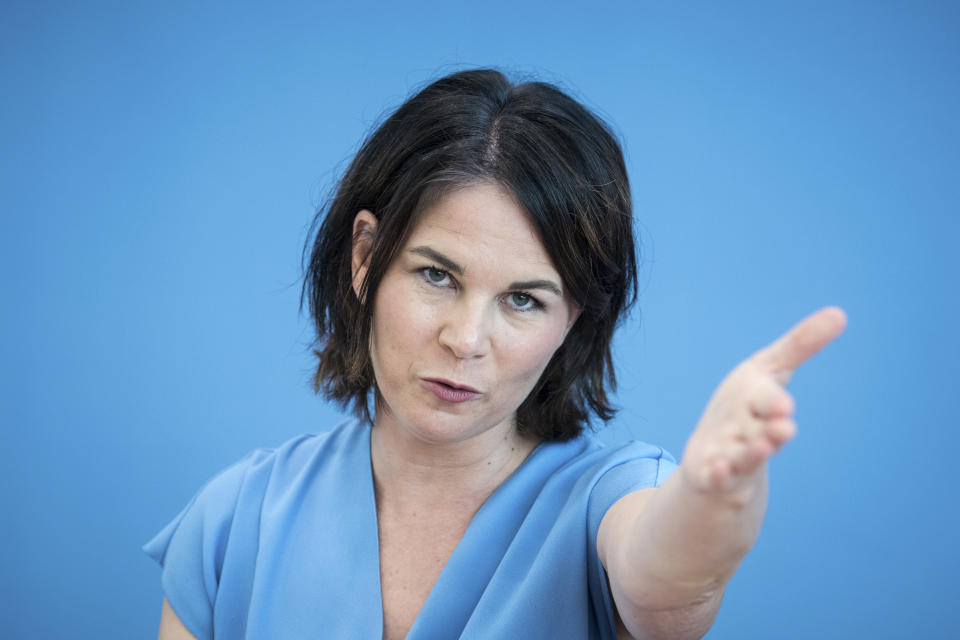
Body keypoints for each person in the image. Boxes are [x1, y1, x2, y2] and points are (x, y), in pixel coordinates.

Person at [144, 68, 846, 640]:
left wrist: (716, 496)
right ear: (365, 258)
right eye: (436, 276)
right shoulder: (234, 521)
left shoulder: (610, 503)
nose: (466, 339)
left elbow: (665, 586)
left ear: (574, 317)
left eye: (523, 300)